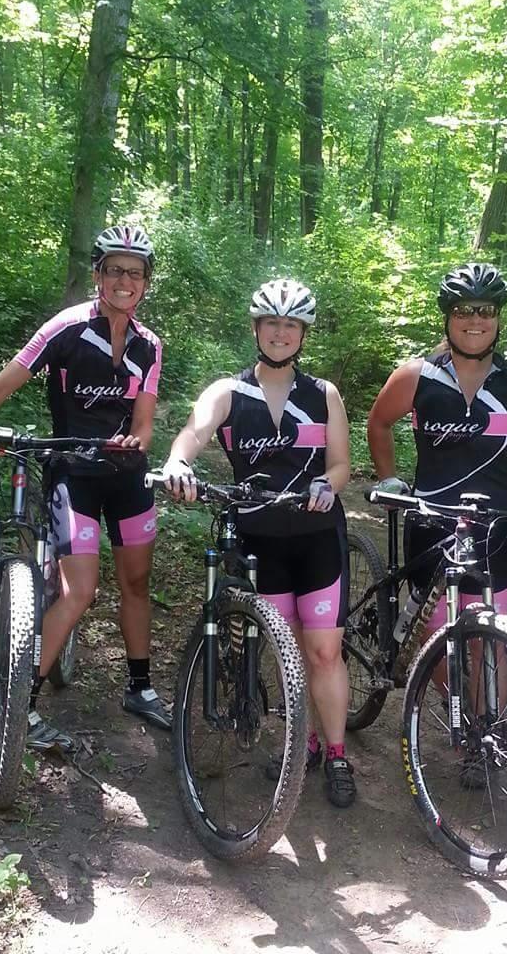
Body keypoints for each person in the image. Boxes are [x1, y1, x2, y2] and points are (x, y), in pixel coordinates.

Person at [0, 224, 171, 751]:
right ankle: (22, 707)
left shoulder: (150, 346)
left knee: (137, 585)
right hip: (74, 474)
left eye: (135, 273)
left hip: (127, 480)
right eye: (114, 269)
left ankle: (140, 687)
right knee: (79, 590)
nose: (124, 280)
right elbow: (4, 382)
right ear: (98, 275)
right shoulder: (66, 328)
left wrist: (134, 444)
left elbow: (144, 424)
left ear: (145, 283)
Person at [161, 278, 357, 808]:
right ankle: (304, 742)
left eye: (290, 324)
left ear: (303, 334)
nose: (280, 332)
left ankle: (334, 751)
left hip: (317, 537)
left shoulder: (323, 395)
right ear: (256, 328)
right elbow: (193, 433)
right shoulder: (228, 392)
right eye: (271, 322)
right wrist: (179, 462)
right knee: (286, 648)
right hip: (258, 541)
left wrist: (328, 483)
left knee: (324, 650)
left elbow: (340, 464)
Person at [366, 263, 507, 774]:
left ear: (498, 320)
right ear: (448, 318)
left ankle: (483, 735)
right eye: (463, 311)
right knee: (436, 637)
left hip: (498, 528)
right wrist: (390, 478)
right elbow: (378, 422)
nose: (474, 320)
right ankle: (459, 706)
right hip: (431, 523)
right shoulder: (417, 375)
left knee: (488, 639)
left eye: (485, 311)